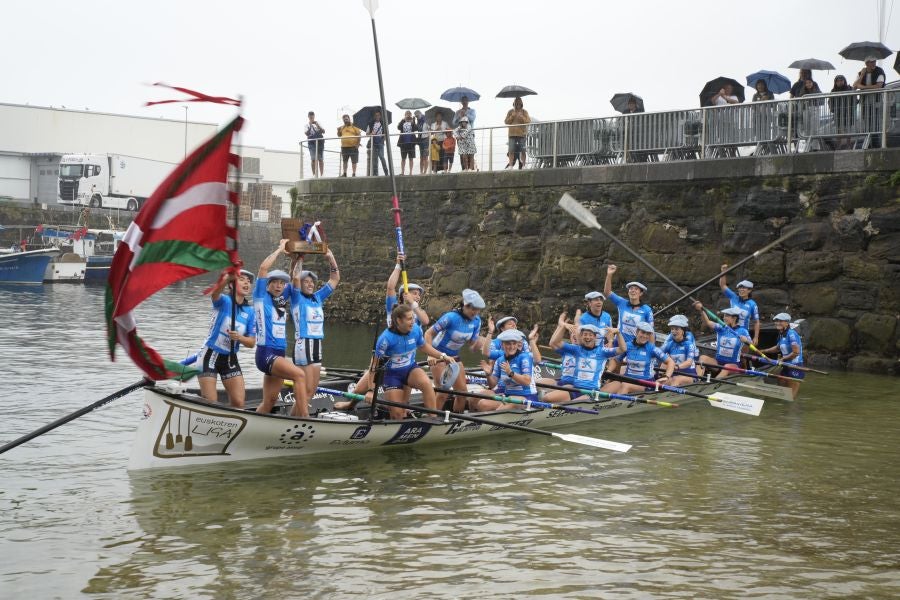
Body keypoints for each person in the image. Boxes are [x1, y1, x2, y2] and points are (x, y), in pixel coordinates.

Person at [253, 239, 310, 416]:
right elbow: (263, 269)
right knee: (299, 376)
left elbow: (295, 277)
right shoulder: (261, 296)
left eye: (281, 283)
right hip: (266, 353)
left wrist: (298, 258)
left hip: (278, 353)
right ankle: (305, 418)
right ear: (267, 285)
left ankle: (255, 427)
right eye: (274, 282)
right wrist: (280, 249)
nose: (278, 286)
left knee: (269, 401)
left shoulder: (282, 298)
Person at [369, 304, 449, 420]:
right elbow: (374, 365)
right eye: (409, 319)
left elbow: (423, 346)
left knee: (427, 385)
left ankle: (433, 418)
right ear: (398, 320)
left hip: (410, 370)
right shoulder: (385, 339)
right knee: (397, 414)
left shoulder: (416, 329)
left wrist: (442, 355)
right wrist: (370, 390)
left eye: (413, 318)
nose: (413, 321)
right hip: (391, 375)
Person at [197, 269, 257, 408]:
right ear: (231, 285)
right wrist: (226, 278)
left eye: (249, 282)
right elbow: (215, 293)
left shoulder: (250, 312)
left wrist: (239, 337)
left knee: (238, 403)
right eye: (242, 279)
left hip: (230, 359)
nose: (247, 283)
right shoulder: (224, 301)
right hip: (209, 356)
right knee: (211, 404)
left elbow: (251, 343)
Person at [289, 248, 340, 403]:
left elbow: (335, 279)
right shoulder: (296, 298)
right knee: (306, 389)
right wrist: (299, 258)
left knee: (311, 391)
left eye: (312, 282)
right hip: (303, 343)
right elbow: (296, 277)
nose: (310, 284)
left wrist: (331, 258)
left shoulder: (317, 297)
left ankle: (296, 417)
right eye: (307, 282)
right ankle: (298, 419)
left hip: (317, 344)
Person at [425, 288, 488, 412]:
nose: (475, 312)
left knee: (463, 393)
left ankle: (456, 418)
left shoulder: (477, 321)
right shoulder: (450, 317)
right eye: (473, 309)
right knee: (443, 392)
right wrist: (430, 355)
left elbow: (471, 344)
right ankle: (432, 417)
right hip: (439, 356)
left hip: (454, 358)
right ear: (465, 306)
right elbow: (428, 333)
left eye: (478, 310)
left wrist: (481, 342)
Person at [540, 315, 625, 404]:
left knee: (572, 405)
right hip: (575, 389)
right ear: (581, 337)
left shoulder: (602, 351)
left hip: (591, 391)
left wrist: (618, 333)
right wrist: (563, 326)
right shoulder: (577, 349)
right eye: (585, 334)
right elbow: (554, 342)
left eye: (590, 335)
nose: (587, 337)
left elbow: (623, 349)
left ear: (595, 337)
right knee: (547, 398)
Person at [474, 329, 538, 411]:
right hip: (507, 396)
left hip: (527, 397)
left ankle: (494, 420)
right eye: (508, 344)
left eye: (514, 343)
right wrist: (488, 374)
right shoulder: (500, 360)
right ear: (502, 345)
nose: (512, 347)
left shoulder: (524, 358)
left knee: (508, 402)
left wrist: (511, 373)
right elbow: (492, 385)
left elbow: (527, 381)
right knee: (482, 404)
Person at [607, 321, 676, 395]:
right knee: (604, 390)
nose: (645, 336)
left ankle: (616, 404)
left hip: (646, 383)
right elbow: (615, 360)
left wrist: (666, 376)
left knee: (625, 386)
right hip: (627, 379)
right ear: (637, 332)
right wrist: (609, 371)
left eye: (648, 334)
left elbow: (671, 362)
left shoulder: (652, 348)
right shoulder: (627, 346)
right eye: (643, 332)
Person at [693, 303, 751, 378]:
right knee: (702, 358)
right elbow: (708, 322)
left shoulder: (743, 331)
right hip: (718, 363)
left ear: (734, 318)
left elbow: (751, 344)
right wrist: (701, 310)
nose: (723, 318)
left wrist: (746, 340)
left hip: (733, 365)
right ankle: (697, 380)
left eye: (726, 316)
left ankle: (712, 385)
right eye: (724, 316)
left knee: (726, 367)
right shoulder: (721, 328)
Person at [603, 264, 654, 343]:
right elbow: (607, 292)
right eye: (631, 289)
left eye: (636, 289)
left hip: (635, 345)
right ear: (628, 292)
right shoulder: (621, 302)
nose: (633, 290)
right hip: (619, 343)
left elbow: (651, 331)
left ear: (641, 293)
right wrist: (609, 274)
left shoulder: (647, 309)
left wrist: (651, 349)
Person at [759, 313, 804, 400]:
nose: (777, 323)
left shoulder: (791, 334)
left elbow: (796, 352)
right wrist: (763, 351)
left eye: (780, 321)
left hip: (795, 366)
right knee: (782, 391)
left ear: (787, 323)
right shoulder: (782, 334)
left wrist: (782, 359)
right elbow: (777, 348)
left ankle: (793, 410)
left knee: (790, 398)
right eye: (776, 321)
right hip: (785, 366)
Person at [718, 267, 760, 345]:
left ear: (749, 290)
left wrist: (756, 337)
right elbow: (722, 285)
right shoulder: (733, 297)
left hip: (743, 333)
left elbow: (756, 322)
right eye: (740, 288)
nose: (741, 290)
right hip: (730, 330)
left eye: (744, 288)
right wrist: (723, 272)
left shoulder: (752, 304)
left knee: (743, 355)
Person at [659, 314, 700, 387]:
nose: (674, 331)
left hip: (689, 375)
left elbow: (689, 362)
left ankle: (670, 396)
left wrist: (677, 367)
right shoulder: (670, 344)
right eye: (672, 329)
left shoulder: (689, 344)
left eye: (676, 329)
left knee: (676, 379)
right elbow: (657, 353)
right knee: (660, 382)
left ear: (683, 331)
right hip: (674, 374)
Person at [853, 56, 886, 136]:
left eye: (875, 61)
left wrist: (863, 87)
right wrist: (862, 75)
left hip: (876, 101)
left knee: (876, 121)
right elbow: (855, 86)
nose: (874, 63)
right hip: (865, 102)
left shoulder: (879, 71)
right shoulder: (861, 72)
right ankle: (869, 140)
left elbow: (878, 86)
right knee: (866, 121)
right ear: (866, 63)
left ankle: (876, 141)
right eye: (871, 62)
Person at [829, 75, 857, 148]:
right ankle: (839, 144)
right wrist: (832, 109)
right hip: (838, 113)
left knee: (848, 129)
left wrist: (852, 107)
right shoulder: (833, 91)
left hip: (848, 112)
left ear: (844, 81)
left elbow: (855, 100)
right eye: (838, 81)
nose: (840, 82)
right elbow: (830, 101)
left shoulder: (849, 88)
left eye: (841, 80)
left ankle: (848, 144)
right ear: (835, 82)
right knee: (839, 130)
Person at [504, 97, 531, 169]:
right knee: (511, 150)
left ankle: (524, 165)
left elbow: (528, 121)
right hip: (512, 134)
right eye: (516, 103)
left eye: (519, 103)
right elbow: (506, 122)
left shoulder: (524, 112)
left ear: (521, 104)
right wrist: (512, 116)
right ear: (514, 104)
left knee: (523, 150)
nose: (517, 105)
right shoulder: (510, 112)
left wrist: (522, 117)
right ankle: (510, 166)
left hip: (522, 134)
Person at [366, 110, 389, 176]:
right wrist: (371, 133)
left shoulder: (383, 123)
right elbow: (367, 133)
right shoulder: (370, 123)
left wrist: (383, 140)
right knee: (375, 159)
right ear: (374, 116)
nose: (377, 116)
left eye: (378, 115)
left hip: (380, 142)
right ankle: (375, 174)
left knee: (382, 157)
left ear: (380, 116)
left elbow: (386, 134)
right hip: (373, 143)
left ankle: (386, 172)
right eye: (376, 115)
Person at [304, 111, 325, 178]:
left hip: (319, 142)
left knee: (320, 159)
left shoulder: (318, 122)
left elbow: (323, 131)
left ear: (314, 116)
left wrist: (317, 125)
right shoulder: (306, 125)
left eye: (312, 116)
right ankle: (314, 174)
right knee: (313, 159)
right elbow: (306, 134)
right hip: (311, 143)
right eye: (310, 116)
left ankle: (322, 174)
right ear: (308, 117)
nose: (311, 117)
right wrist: (310, 126)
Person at [397, 110, 417, 176]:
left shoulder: (412, 121)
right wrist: (403, 119)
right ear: (405, 115)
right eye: (407, 114)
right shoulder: (403, 121)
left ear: (411, 115)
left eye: (409, 114)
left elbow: (416, 128)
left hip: (411, 143)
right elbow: (398, 127)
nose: (408, 115)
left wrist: (413, 121)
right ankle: (402, 172)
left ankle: (410, 172)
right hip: (403, 143)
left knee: (411, 158)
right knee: (403, 158)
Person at [414, 110, 429, 175]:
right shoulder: (418, 121)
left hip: (426, 139)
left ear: (420, 114)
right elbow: (416, 129)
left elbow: (430, 129)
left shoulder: (426, 120)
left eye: (417, 115)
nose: (417, 117)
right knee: (421, 157)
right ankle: (421, 171)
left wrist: (428, 139)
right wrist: (414, 121)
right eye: (416, 116)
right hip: (420, 140)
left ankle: (425, 171)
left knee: (425, 156)